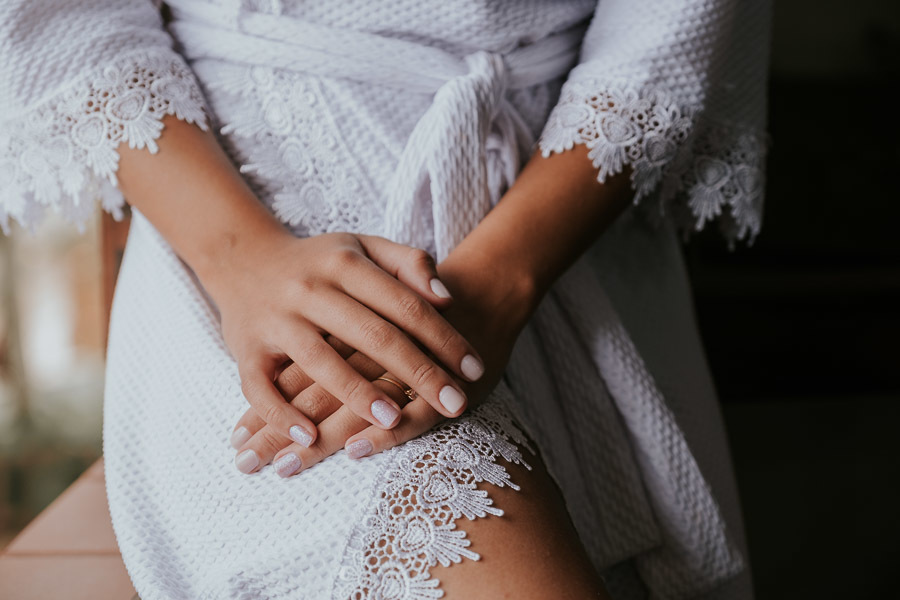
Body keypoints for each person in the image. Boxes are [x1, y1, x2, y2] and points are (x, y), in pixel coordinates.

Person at [0, 0, 771, 598]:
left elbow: (673, 28)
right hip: (253, 195)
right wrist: (240, 257)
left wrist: (502, 281)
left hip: (570, 192)